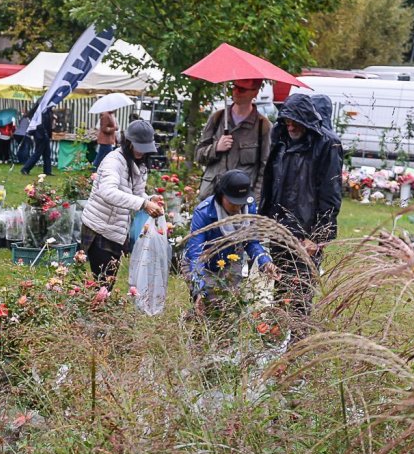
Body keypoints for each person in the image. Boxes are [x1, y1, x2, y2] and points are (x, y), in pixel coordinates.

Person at [259, 92, 343, 336]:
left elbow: (331, 193)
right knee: (280, 284)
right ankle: (278, 342)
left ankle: (297, 345)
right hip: (279, 225)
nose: (291, 126)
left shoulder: (327, 143)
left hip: (306, 230)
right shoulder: (281, 137)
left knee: (300, 288)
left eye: (296, 121)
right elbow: (270, 180)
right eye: (287, 120)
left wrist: (317, 237)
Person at [79, 119, 164, 282]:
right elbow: (107, 192)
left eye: (145, 149)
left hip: (116, 229)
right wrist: (144, 204)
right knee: (103, 284)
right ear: (128, 142)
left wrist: (150, 199)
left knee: (106, 283)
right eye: (139, 147)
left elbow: (137, 193)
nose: (142, 152)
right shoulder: (113, 161)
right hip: (99, 228)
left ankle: (98, 306)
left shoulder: (139, 164)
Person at [184, 170, 279, 317]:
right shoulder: (204, 212)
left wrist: (265, 262)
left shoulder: (249, 207)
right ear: (221, 195)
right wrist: (199, 290)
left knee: (230, 306)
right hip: (203, 264)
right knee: (207, 305)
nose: (237, 208)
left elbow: (251, 241)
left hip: (231, 261)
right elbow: (196, 255)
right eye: (233, 203)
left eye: (240, 203)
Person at [196, 80, 272, 200]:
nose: (236, 92)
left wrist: (255, 200)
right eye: (235, 87)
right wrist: (216, 148)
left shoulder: (263, 126)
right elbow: (198, 156)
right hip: (211, 197)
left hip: (240, 199)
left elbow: (265, 169)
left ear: (255, 92)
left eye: (242, 89)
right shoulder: (217, 118)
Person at [21, 104, 53, 176]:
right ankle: (25, 168)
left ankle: (47, 171)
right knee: (37, 153)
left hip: (44, 135)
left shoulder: (47, 111)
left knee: (47, 153)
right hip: (40, 135)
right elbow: (38, 124)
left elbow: (48, 124)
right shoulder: (40, 111)